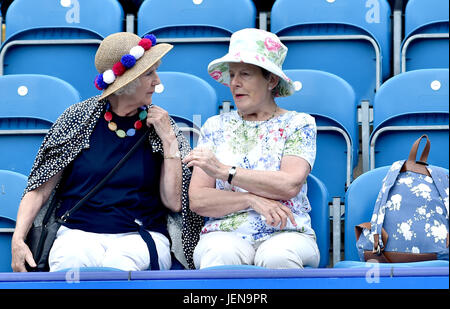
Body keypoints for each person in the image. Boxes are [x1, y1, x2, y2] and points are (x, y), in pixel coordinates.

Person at [11, 32, 202, 272]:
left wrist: (169, 141)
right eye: (149, 74)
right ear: (127, 83)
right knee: (69, 262)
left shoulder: (163, 125)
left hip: (140, 233)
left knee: (120, 265)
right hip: (78, 232)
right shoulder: (78, 118)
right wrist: (18, 238)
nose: (157, 81)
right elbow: (39, 189)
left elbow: (174, 202)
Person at [183, 28, 320, 269]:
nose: (235, 83)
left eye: (245, 74)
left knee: (278, 256)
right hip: (224, 232)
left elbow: (289, 184)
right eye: (232, 75)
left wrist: (226, 171)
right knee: (220, 253)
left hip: (286, 230)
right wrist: (250, 200)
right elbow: (198, 199)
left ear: (271, 80)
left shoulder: (299, 123)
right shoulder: (215, 126)